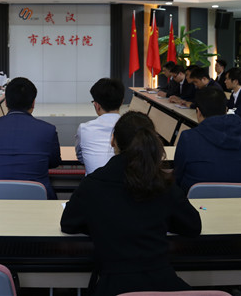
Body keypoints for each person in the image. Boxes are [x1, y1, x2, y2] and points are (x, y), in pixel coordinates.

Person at [61, 111, 202, 296]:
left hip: (113, 286)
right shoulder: (163, 184)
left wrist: (100, 224)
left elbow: (68, 223)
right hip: (163, 283)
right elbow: (193, 226)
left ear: (113, 140)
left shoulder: (93, 184)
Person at [0, 77, 61, 199]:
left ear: (6, 102)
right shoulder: (47, 130)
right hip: (37, 200)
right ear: (33, 103)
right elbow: (54, 162)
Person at [173, 87, 241, 192]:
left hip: (195, 200)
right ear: (226, 110)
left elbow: (178, 175)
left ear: (198, 112)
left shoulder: (188, 137)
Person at [75, 78, 124, 175]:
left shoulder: (84, 129)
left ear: (97, 105)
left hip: (92, 182)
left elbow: (81, 157)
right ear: (122, 102)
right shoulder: (132, 128)